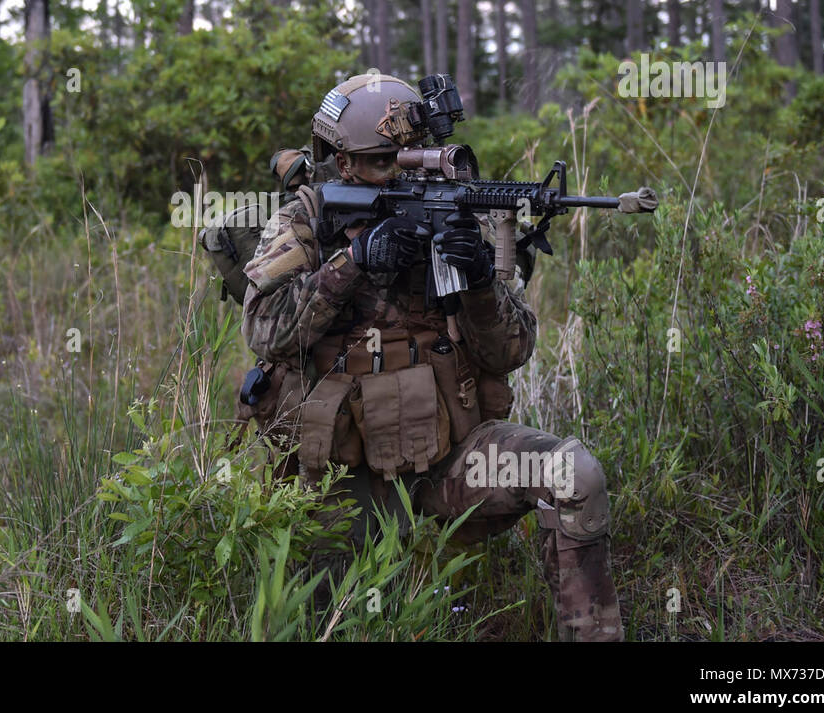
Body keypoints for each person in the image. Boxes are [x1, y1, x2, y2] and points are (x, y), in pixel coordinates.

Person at [240, 74, 622, 641]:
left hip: (447, 460)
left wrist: (478, 282)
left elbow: (511, 351)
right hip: (343, 475)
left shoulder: (457, 210)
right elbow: (264, 331)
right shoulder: (308, 217)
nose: (406, 172)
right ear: (343, 165)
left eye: (417, 158)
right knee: (354, 621)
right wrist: (354, 263)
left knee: (574, 474)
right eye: (384, 162)